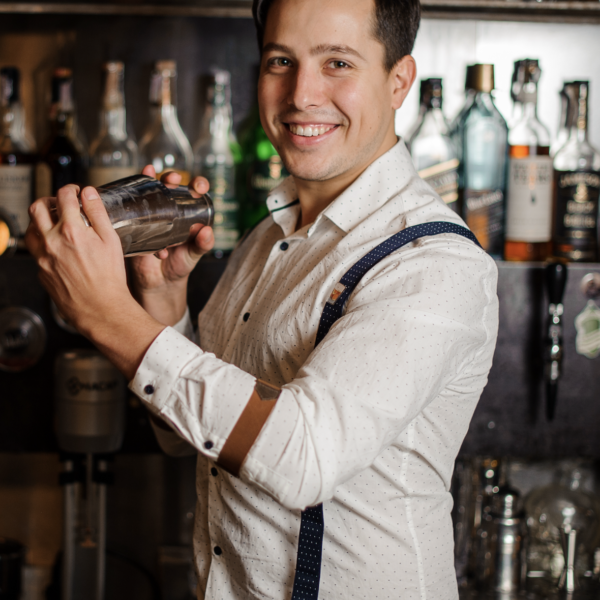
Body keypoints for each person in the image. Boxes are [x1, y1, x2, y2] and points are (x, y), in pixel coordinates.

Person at [26, 0, 499, 597]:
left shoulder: (435, 263)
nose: (301, 94)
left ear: (398, 80)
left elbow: (302, 457)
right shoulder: (268, 236)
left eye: (337, 63)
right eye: (281, 61)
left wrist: (108, 318)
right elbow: (191, 435)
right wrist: (162, 305)